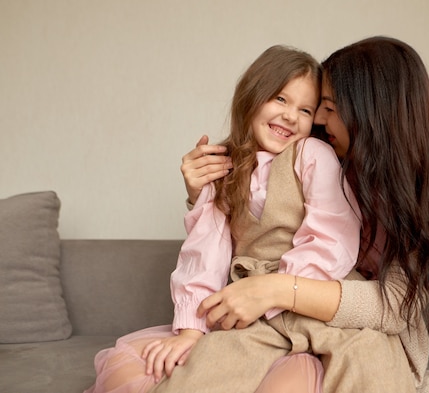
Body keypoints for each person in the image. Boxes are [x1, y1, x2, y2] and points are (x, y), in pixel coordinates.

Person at [171, 36, 429, 393]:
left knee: (364, 364)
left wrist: (278, 289)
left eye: (327, 107)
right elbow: (255, 220)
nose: (316, 117)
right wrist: (205, 194)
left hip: (350, 328)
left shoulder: (421, 194)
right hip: (278, 316)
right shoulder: (310, 155)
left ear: (369, 114)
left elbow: (395, 305)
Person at [84, 44, 369, 393]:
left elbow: (331, 237)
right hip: (243, 307)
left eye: (305, 109)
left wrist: (274, 294)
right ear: (252, 97)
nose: (291, 116)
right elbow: (204, 252)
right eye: (280, 99)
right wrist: (190, 329)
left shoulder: (313, 155)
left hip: (304, 301)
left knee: (291, 381)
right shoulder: (224, 166)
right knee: (135, 370)